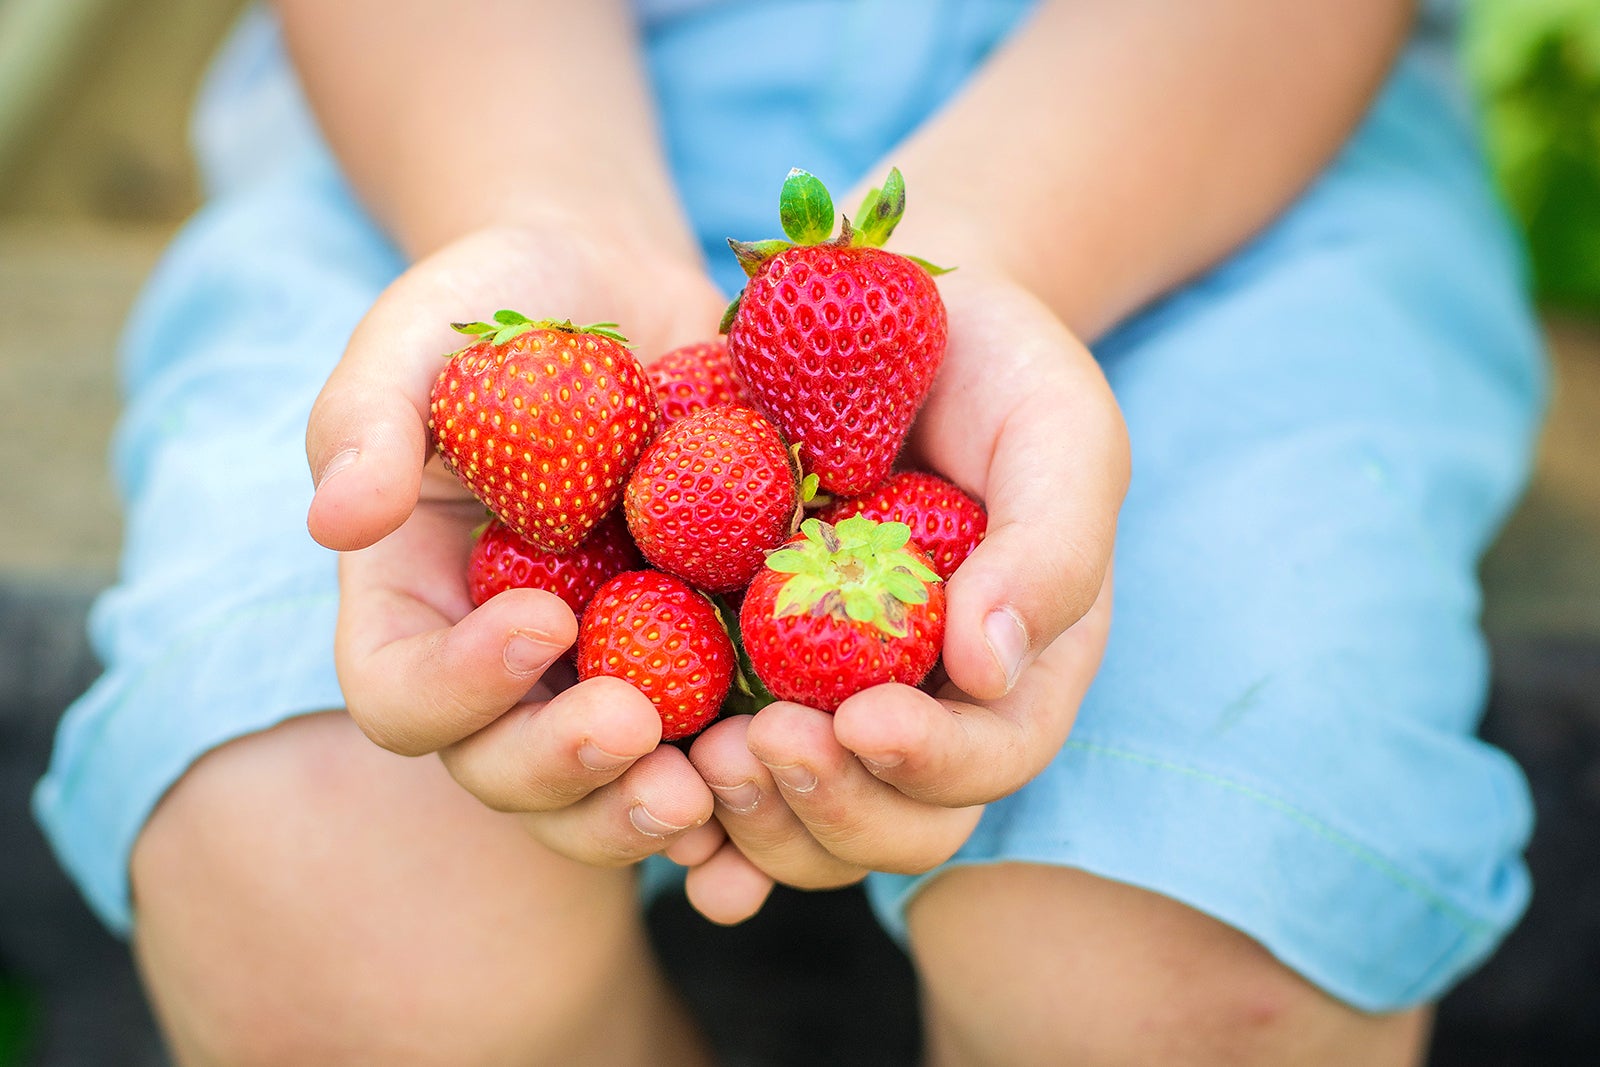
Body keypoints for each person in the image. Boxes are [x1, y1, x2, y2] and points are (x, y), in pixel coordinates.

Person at [36, 1, 1545, 1063]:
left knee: (1200, 969)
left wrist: (987, 266)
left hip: (1211, 146)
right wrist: (556, 220)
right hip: (453, 114)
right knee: (312, 895)